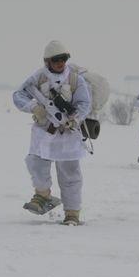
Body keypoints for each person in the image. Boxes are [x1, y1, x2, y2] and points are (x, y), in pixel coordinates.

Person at [13, 40, 91, 226]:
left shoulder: (75, 79)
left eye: (63, 59)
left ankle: (72, 213)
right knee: (35, 164)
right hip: (43, 132)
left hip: (68, 133)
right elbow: (19, 95)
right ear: (47, 61)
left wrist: (75, 117)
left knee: (70, 174)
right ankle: (42, 196)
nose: (60, 63)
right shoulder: (38, 77)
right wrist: (34, 107)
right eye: (56, 59)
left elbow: (84, 103)